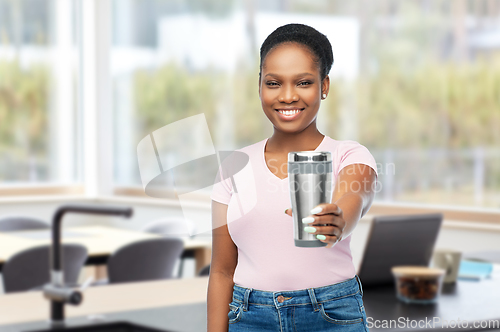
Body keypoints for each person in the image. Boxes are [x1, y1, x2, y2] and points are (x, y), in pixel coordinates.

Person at [207, 23, 377, 332]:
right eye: (273, 83)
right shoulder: (233, 166)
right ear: (260, 85)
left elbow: (355, 196)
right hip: (248, 317)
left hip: (331, 315)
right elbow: (220, 271)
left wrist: (337, 220)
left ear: (324, 86)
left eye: (303, 82)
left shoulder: (348, 155)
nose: (287, 96)